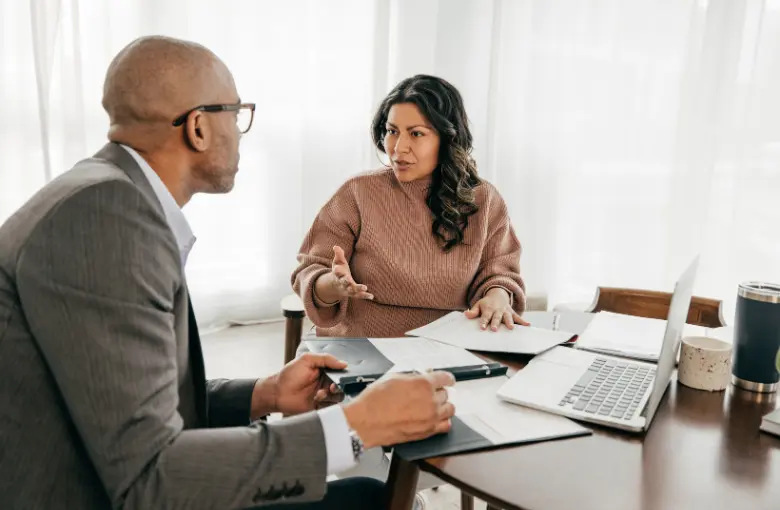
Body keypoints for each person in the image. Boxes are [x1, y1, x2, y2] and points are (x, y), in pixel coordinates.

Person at [0, 36, 455, 510]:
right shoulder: (106, 218)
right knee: (375, 501)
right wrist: (356, 427)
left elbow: (127, 405)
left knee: (370, 496)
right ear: (198, 127)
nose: (240, 132)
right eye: (236, 116)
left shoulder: (101, 194)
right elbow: (151, 478)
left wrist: (265, 393)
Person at [292, 74, 526, 339]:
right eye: (392, 132)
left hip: (448, 347)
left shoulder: (484, 200)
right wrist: (334, 285)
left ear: (447, 138)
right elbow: (310, 271)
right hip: (358, 344)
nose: (398, 148)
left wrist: (497, 296)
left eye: (416, 134)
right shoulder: (357, 192)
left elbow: (499, 272)